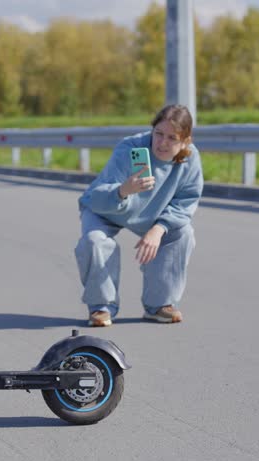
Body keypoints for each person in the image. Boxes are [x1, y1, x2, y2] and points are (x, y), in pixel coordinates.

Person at [75, 104, 203, 327]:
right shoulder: (130, 148)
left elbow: (185, 202)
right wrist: (123, 190)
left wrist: (159, 229)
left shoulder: (190, 159)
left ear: (185, 141)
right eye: (158, 134)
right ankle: (101, 307)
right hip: (107, 208)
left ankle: (159, 305)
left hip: (151, 214)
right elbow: (97, 196)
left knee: (183, 233)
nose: (162, 143)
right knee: (95, 241)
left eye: (172, 138)